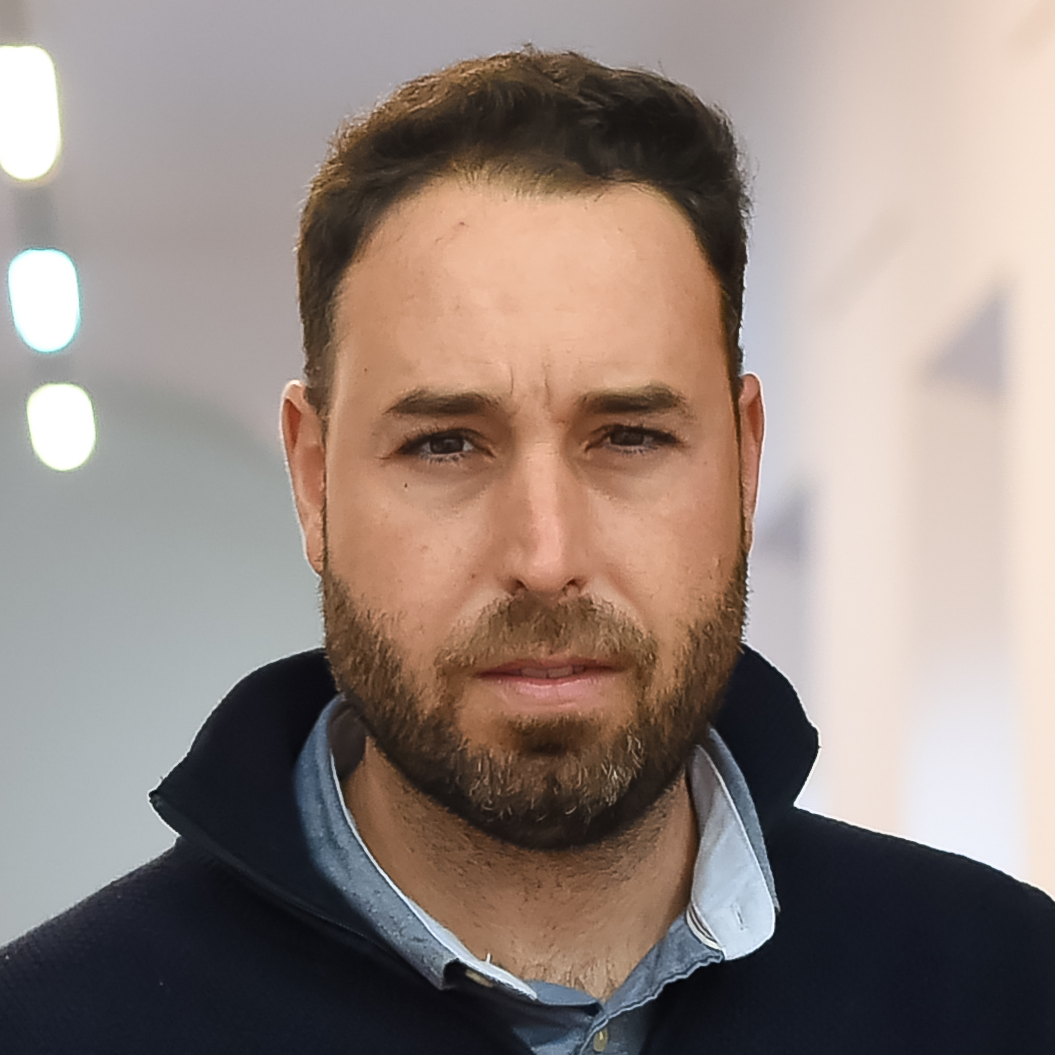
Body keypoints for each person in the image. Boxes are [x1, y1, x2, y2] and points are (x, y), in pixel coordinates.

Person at [1, 47, 1053, 1055]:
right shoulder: (51, 1029)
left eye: (629, 436)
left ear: (743, 461)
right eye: (444, 444)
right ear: (314, 480)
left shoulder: (1006, 992)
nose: (545, 557)